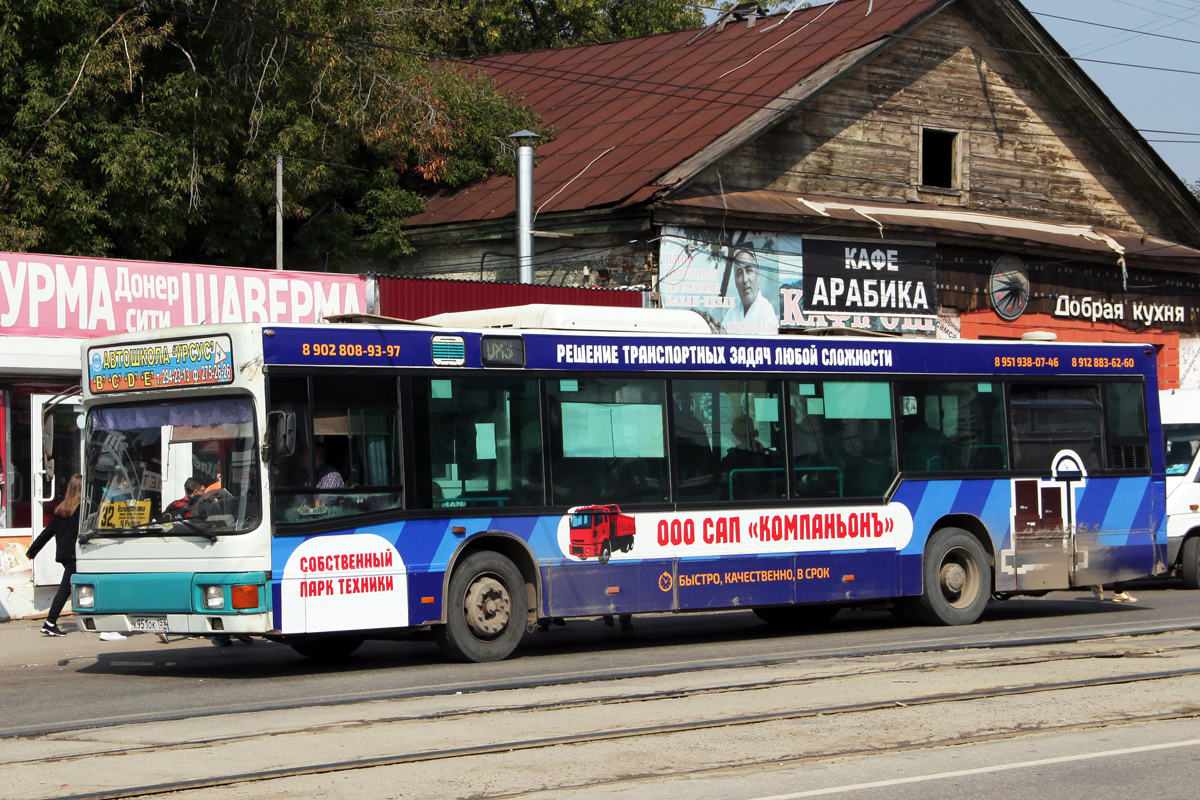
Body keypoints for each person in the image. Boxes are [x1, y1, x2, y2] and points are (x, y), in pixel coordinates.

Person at [26, 475, 83, 637]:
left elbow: (47, 533)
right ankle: (50, 622)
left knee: (71, 587)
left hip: (65, 554)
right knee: (65, 589)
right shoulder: (80, 511)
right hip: (75, 555)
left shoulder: (61, 510)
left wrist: (32, 551)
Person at [723, 249, 779, 334]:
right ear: (735, 282)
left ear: (757, 274)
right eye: (739, 273)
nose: (745, 280)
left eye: (749, 270)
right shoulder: (731, 314)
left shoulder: (766, 312)